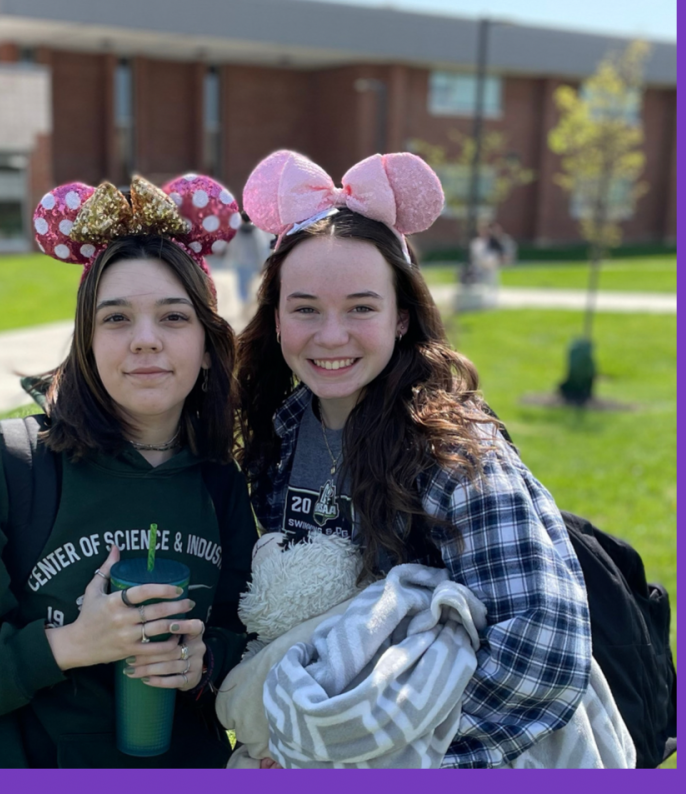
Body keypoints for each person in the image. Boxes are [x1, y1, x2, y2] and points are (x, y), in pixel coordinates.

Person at [0, 173, 258, 768]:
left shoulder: (221, 481)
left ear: (208, 344)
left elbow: (249, 640)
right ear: (85, 342)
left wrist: (202, 663)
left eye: (174, 318)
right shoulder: (11, 468)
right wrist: (67, 645)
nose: (145, 341)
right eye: (116, 319)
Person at [235, 149, 592, 769]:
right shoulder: (278, 438)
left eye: (361, 307)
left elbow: (544, 647)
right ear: (275, 316)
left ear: (402, 317)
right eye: (306, 308)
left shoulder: (456, 454)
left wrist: (383, 757)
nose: (331, 335)